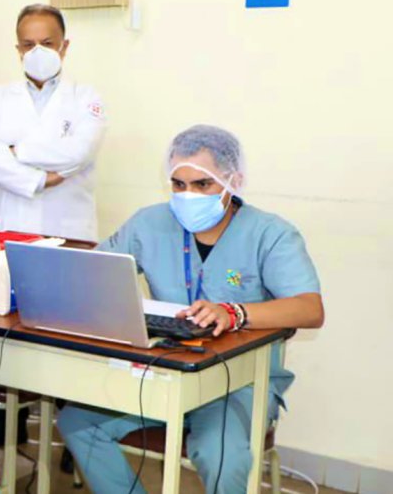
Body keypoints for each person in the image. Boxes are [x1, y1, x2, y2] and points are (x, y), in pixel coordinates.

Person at [57, 125, 325, 493]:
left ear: (234, 182)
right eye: (178, 185)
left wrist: (236, 313)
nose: (188, 195)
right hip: (161, 370)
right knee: (77, 424)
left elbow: (309, 309)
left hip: (236, 382)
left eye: (202, 185)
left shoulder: (270, 234)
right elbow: (93, 274)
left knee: (219, 455)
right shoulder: (149, 224)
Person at [0, 4, 106, 241]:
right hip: (8, 227)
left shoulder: (85, 97)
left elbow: (78, 152)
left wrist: (15, 151)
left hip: (68, 232)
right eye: (28, 45)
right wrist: (41, 179)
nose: (37, 52)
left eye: (47, 43)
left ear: (64, 46)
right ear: (18, 49)